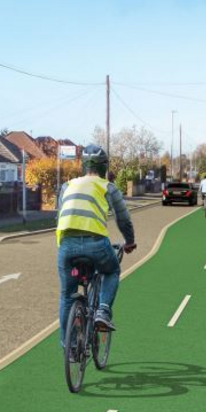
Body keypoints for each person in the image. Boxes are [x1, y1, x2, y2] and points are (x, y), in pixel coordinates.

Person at [57, 145, 137, 340]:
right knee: (112, 271)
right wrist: (129, 241)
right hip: (96, 244)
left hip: (67, 245)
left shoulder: (67, 186)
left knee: (67, 295)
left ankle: (69, 344)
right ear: (104, 167)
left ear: (83, 165)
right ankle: (102, 311)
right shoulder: (107, 186)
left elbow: (59, 215)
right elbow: (123, 219)